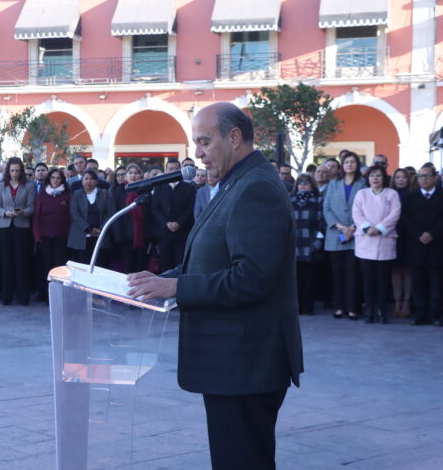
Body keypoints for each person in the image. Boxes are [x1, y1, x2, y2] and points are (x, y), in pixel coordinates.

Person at [127, 102, 303, 470]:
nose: (198, 153)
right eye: (196, 143)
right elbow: (211, 260)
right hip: (234, 364)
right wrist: (163, 280)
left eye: (204, 141)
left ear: (234, 137)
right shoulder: (236, 182)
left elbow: (251, 279)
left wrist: (175, 290)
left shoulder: (256, 189)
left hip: (245, 365)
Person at [352, 165, 401, 324]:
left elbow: (395, 214)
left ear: (383, 177)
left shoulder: (392, 194)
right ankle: (369, 310)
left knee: (382, 280)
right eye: (372, 175)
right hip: (365, 241)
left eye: (378, 175)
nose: (375, 178)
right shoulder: (361, 194)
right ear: (368, 178)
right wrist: (367, 227)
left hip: (384, 241)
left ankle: (381, 310)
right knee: (367, 280)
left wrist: (379, 228)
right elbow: (356, 213)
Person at [323, 151, 366, 320]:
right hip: (336, 234)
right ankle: (339, 307)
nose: (350, 165)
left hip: (356, 234)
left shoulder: (363, 184)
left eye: (353, 162)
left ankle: (353, 308)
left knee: (353, 273)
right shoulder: (333, 184)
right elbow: (326, 208)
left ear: (357, 165)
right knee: (337, 273)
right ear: (343, 165)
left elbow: (365, 208)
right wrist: (341, 227)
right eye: (347, 162)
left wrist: (354, 227)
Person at [399, 164, 443, 326]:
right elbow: (406, 219)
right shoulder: (411, 197)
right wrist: (419, 234)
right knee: (418, 283)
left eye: (426, 176)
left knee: (436, 283)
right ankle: (420, 314)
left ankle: (436, 314)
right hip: (416, 245)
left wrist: (432, 233)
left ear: (435, 177)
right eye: (420, 176)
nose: (423, 179)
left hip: (437, 245)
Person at [0, 156, 35, 305]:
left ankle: (23, 296)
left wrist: (22, 212)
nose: (15, 173)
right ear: (8, 171)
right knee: (6, 262)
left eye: (17, 170)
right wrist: (6, 213)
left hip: (22, 226)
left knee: (21, 261)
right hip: (5, 226)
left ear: (21, 171)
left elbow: (31, 207)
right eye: (12, 170)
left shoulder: (29, 185)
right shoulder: (2, 186)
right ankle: (7, 296)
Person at [32, 168, 71, 303]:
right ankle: (44, 294)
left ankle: (58, 296)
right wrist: (37, 237)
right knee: (45, 266)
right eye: (53, 178)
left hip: (61, 238)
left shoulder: (67, 196)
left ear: (62, 180)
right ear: (49, 179)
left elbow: (70, 218)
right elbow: (36, 218)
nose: (55, 180)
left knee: (59, 267)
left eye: (58, 178)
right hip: (45, 237)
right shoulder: (41, 196)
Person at [151, 158, 196, 272]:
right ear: (166, 170)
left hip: (182, 232)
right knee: (165, 263)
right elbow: (155, 208)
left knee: (181, 263)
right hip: (164, 232)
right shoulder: (159, 187)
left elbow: (191, 209)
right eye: (170, 168)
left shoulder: (189, 188)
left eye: (175, 168)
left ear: (180, 170)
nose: (173, 171)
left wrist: (179, 223)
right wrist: (166, 223)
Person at [291, 174, 325, 315]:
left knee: (310, 279)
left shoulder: (319, 200)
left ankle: (309, 307)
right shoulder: (289, 199)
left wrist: (318, 242)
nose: (303, 185)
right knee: (296, 280)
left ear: (312, 184)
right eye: (300, 183)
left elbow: (323, 222)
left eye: (306, 183)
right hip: (294, 244)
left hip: (312, 243)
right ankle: (297, 307)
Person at [68, 169, 114, 265]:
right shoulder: (76, 194)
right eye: (86, 179)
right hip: (81, 236)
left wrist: (101, 229)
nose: (89, 181)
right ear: (82, 181)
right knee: (82, 265)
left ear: (97, 181)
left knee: (100, 265)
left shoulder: (104, 193)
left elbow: (111, 213)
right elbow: (75, 213)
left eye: (92, 179)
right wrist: (88, 228)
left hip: (100, 236)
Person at [110, 163, 148, 273]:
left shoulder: (145, 190)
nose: (133, 175)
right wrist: (118, 236)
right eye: (130, 173)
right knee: (128, 267)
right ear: (126, 176)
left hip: (141, 235)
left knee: (140, 266)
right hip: (125, 236)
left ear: (141, 176)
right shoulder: (118, 191)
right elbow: (115, 214)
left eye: (136, 173)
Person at [390, 168, 413, 317]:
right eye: (397, 177)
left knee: (408, 271)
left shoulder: (412, 195)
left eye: (403, 177)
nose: (400, 180)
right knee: (395, 271)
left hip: (409, 237)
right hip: (392, 236)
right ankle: (397, 302)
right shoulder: (390, 195)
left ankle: (407, 303)